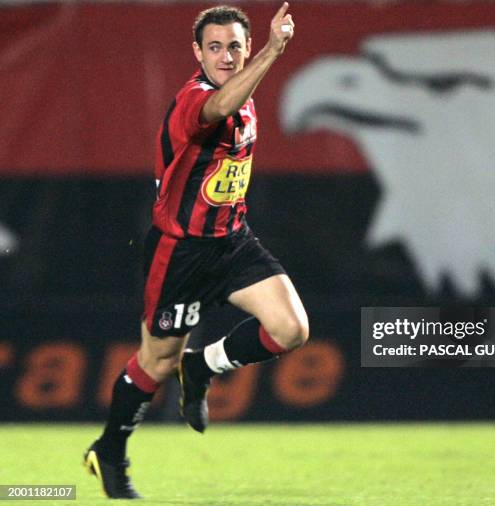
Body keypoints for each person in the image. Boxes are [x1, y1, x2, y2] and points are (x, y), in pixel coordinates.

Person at [84, 3, 308, 499]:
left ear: (244, 47)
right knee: (156, 363)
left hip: (232, 242)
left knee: (291, 329)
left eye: (234, 46)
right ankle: (110, 449)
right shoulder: (195, 98)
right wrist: (274, 49)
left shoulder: (243, 91)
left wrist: (263, 55)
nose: (225, 56)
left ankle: (204, 365)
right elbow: (217, 109)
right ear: (197, 53)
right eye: (214, 47)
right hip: (181, 253)